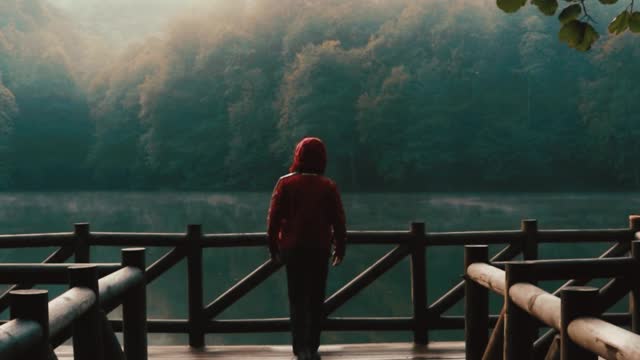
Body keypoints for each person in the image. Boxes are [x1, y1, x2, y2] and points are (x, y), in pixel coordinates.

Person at [267, 137, 347, 360]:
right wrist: (340, 248)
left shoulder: (285, 183)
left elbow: (273, 219)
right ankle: (312, 347)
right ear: (322, 158)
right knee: (316, 298)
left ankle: (299, 348)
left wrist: (273, 246)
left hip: (292, 248)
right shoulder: (328, 186)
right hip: (319, 248)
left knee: (297, 298)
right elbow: (338, 221)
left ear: (298, 156)